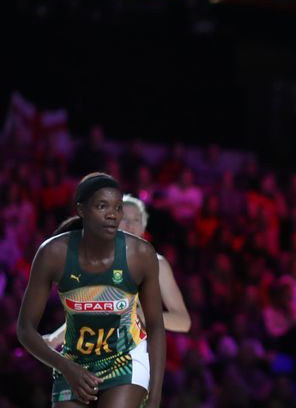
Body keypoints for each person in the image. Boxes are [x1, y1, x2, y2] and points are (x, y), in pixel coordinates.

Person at [17, 173, 166, 407]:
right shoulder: (52, 254)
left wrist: (155, 396)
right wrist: (65, 366)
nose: (112, 214)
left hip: (125, 357)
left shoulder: (140, 255)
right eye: (101, 206)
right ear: (81, 210)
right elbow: (25, 329)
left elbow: (156, 327)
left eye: (118, 207)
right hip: (74, 363)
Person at [44, 194, 191, 348]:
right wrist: (54, 339)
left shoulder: (157, 264)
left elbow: (183, 321)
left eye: (136, 220)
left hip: (137, 354)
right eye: (125, 218)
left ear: (143, 226)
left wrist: (139, 315)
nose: (131, 225)